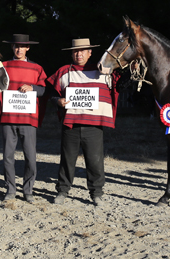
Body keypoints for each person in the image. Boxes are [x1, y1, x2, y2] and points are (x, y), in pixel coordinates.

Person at [46, 38, 119, 206]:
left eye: (82, 51)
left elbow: (119, 85)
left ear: (90, 53)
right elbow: (52, 94)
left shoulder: (103, 71)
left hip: (94, 125)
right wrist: (58, 101)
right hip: (71, 125)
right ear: (72, 53)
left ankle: (96, 193)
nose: (78, 54)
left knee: (95, 161)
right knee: (67, 160)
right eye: (75, 51)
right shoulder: (64, 71)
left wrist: (133, 69)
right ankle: (63, 191)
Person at [0, 34, 47, 203]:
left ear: (28, 48)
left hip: (28, 119)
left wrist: (33, 88)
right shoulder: (3, 66)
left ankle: (28, 190)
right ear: (12, 47)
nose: (19, 49)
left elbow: (44, 90)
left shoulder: (37, 68)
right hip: (8, 117)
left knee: (30, 156)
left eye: (22, 46)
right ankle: (10, 189)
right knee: (8, 155)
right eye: (16, 46)